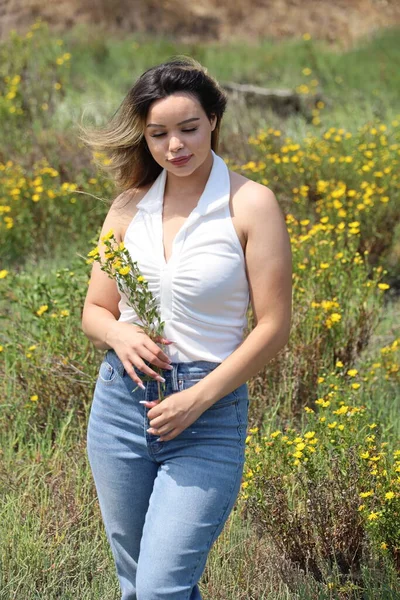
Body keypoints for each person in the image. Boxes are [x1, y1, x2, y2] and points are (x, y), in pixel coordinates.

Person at [80, 56, 292, 600]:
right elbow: (95, 311)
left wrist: (197, 399)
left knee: (160, 588)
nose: (175, 145)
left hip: (208, 413)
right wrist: (121, 334)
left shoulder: (251, 204)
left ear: (214, 120)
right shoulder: (128, 207)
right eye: (159, 134)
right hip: (120, 409)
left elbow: (274, 326)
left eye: (188, 128)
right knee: (135, 585)